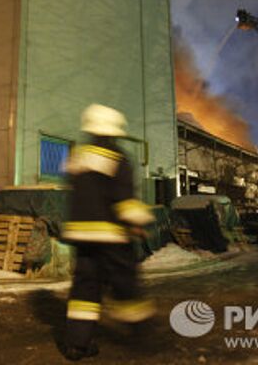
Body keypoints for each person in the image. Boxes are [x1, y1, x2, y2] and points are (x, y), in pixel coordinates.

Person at [59, 104, 156, 361]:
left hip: (81, 237)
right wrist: (141, 222)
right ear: (114, 131)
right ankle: (142, 336)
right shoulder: (117, 157)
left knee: (84, 290)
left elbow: (75, 194)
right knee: (126, 284)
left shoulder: (75, 157)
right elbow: (125, 201)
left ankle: (76, 345)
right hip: (111, 236)